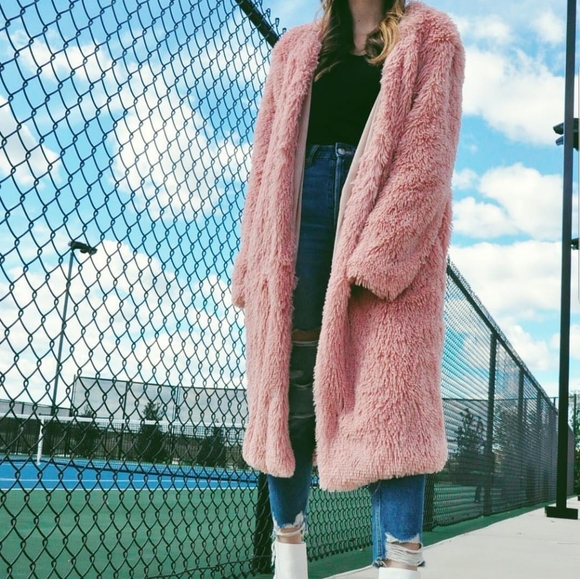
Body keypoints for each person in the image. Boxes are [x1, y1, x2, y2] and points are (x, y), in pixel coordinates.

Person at [230, 1, 464, 577]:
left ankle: (400, 563)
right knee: (289, 383)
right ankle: (289, 551)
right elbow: (265, 163)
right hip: (298, 215)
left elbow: (429, 153)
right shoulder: (294, 49)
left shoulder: (431, 37)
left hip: (382, 215)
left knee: (395, 392)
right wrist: (250, 262)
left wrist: (384, 252)